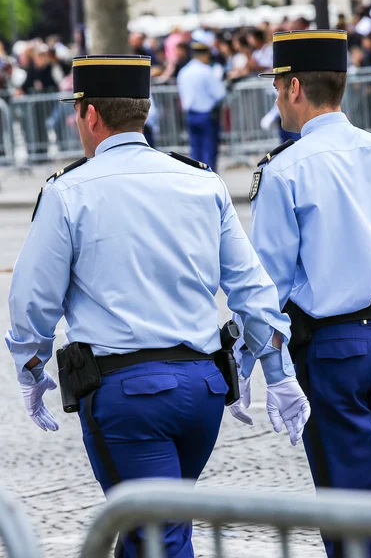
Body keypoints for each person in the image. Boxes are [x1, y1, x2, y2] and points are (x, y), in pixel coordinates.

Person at [5, 54, 310, 558]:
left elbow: (33, 300)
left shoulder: (68, 192)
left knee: (157, 539)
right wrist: (276, 370)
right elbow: (252, 289)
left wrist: (32, 367)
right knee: (150, 531)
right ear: (142, 111)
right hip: (203, 388)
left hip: (128, 394)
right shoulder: (200, 180)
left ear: (91, 115)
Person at [237, 29, 371, 558]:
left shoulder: (285, 169)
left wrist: (270, 369)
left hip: (334, 349)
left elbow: (268, 285)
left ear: (292, 88)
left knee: (346, 501)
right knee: (369, 477)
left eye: (276, 88)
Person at [177, 41, 226, 171]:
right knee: (209, 150)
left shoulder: (183, 72)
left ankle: (197, 179)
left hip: (190, 114)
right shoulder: (206, 71)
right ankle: (209, 179)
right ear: (204, 55)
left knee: (195, 151)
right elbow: (219, 94)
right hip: (207, 114)